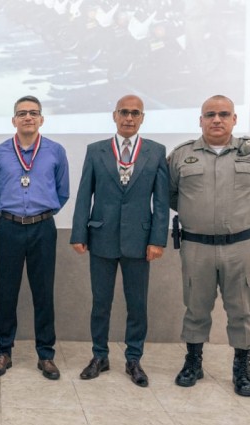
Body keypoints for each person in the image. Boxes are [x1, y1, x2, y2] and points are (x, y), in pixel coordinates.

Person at [168, 94, 250, 397]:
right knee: (196, 308)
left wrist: (242, 213)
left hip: (240, 245)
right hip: (196, 246)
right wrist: (198, 215)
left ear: (234, 119)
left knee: (241, 310)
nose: (217, 119)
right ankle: (193, 363)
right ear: (200, 120)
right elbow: (170, 194)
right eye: (210, 114)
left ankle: (241, 370)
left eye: (224, 114)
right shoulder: (181, 155)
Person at [70, 95, 169, 387]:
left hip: (140, 242)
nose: (129, 117)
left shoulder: (155, 152)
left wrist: (158, 240)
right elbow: (83, 194)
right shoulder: (96, 150)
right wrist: (79, 233)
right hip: (101, 237)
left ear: (142, 118)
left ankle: (134, 359)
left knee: (137, 304)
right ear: (114, 115)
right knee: (101, 302)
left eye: (135, 113)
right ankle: (99, 356)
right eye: (124, 112)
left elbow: (161, 202)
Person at [0, 95, 70, 380]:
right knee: (6, 293)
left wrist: (41, 212)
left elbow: (63, 191)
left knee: (43, 293)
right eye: (22, 113)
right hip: (9, 227)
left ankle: (45, 355)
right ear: (14, 120)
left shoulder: (56, 151)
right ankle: (3, 352)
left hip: (42, 228)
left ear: (41, 119)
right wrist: (10, 212)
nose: (28, 117)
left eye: (33, 113)